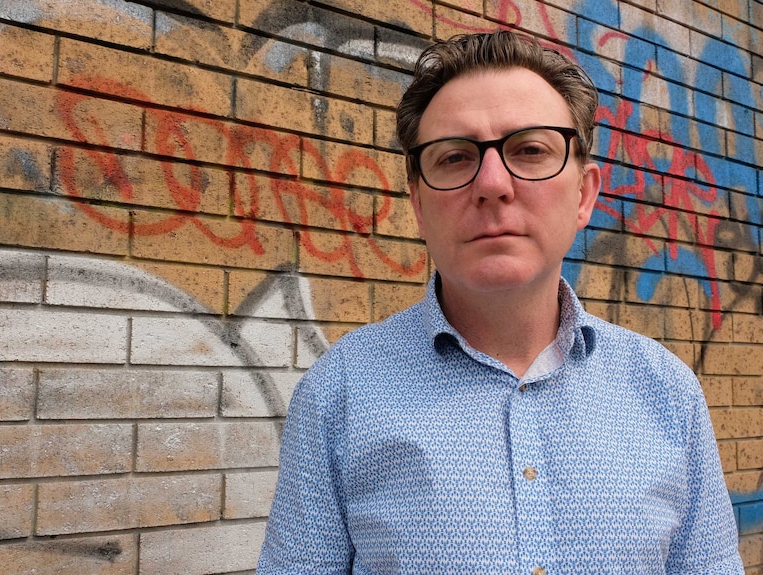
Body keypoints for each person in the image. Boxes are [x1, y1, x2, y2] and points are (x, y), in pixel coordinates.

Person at [256, 30, 742, 575]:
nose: (492, 184)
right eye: (455, 157)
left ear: (584, 194)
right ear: (417, 203)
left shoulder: (669, 394)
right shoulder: (338, 395)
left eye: (530, 150)